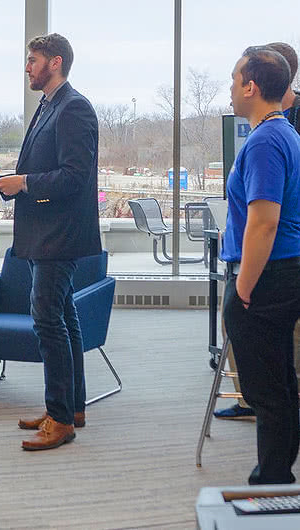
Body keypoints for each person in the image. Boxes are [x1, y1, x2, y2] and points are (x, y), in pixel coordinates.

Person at [0, 33, 100, 451]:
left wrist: (22, 182)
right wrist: (1, 182)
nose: (27, 67)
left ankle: (60, 420)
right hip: (46, 233)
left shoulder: (74, 107)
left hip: (59, 235)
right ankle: (70, 406)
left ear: (55, 62)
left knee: (46, 319)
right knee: (63, 317)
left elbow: (75, 177)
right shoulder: (49, 105)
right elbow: (39, 168)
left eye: (33, 60)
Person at [221, 46, 300, 485]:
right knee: (281, 380)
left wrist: (245, 288)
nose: (231, 87)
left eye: (235, 78)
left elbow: (264, 223)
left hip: (269, 276)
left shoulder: (266, 140)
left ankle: (271, 481)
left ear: (251, 86)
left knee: (265, 391)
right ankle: (278, 471)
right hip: (286, 271)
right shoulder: (284, 132)